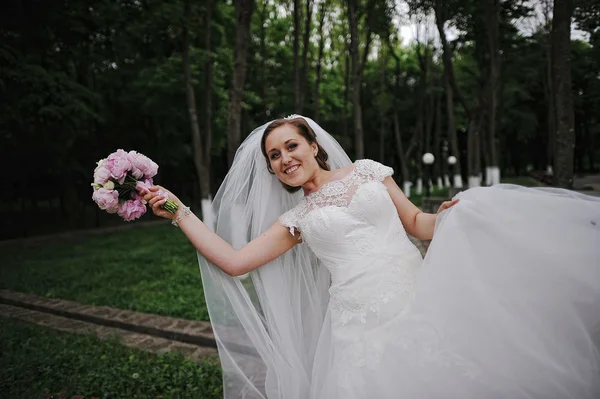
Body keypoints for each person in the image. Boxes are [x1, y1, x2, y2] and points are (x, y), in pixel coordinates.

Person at [140, 115, 600, 399]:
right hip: (358, 323)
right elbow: (236, 260)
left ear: (313, 145)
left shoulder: (366, 172)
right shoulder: (298, 218)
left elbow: (417, 224)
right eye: (274, 156)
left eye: (291, 146)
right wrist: (179, 212)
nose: (284, 159)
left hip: (418, 294)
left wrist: (452, 219)